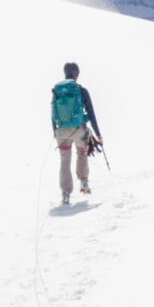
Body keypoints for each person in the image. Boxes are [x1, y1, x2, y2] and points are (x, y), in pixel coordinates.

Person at [50, 61, 103, 202]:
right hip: (79, 130)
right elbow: (91, 115)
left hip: (61, 131)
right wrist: (98, 135)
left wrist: (55, 131)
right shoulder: (81, 90)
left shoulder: (57, 90)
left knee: (64, 160)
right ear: (76, 74)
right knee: (82, 154)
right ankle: (84, 182)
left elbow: (52, 114)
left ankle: (66, 193)